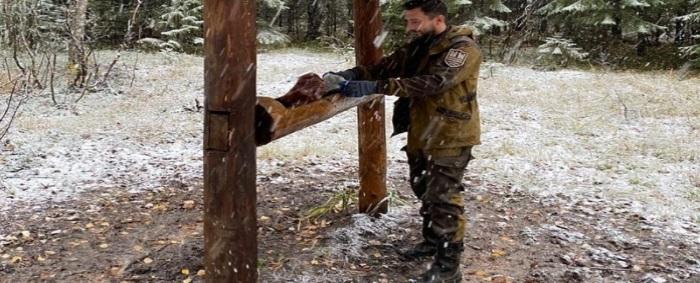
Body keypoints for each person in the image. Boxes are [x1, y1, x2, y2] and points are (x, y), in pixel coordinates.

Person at [324, 0, 482, 281]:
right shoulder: (420, 45)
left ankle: (448, 267)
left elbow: (434, 83)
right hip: (422, 131)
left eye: (415, 21)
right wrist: (351, 75)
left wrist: (380, 87)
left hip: (449, 135)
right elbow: (387, 66)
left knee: (444, 199)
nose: (410, 27)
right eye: (408, 21)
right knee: (422, 188)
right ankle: (433, 241)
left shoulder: (462, 49)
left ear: (438, 20)